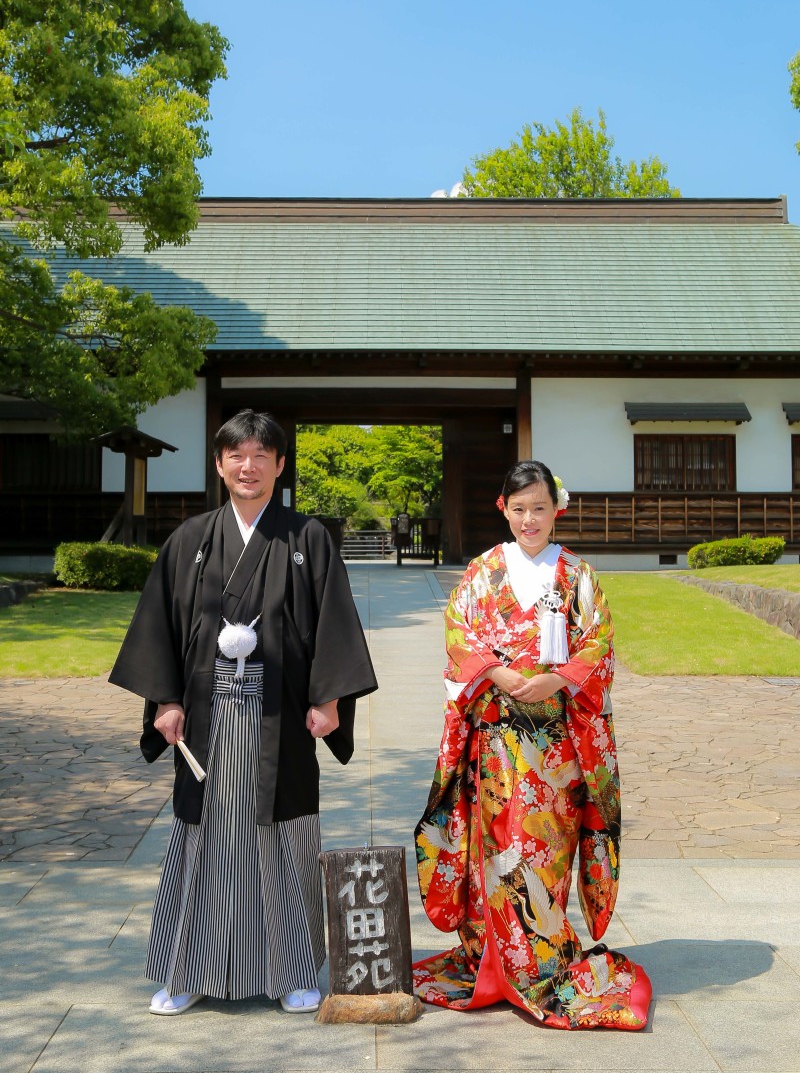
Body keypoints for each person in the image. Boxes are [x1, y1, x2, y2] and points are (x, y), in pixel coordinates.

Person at [110, 409, 377, 1017]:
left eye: (261, 455)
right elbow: (162, 626)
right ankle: (188, 971)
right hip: (205, 719)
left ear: (280, 466)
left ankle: (294, 972)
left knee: (284, 840)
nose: (248, 466)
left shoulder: (307, 539)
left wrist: (329, 698)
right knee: (201, 841)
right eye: (236, 455)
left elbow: (333, 625)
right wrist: (168, 700)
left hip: (277, 717)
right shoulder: (191, 539)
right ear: (220, 464)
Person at [413, 460, 651, 1029]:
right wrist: (495, 673)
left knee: (545, 849)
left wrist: (558, 679)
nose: (529, 519)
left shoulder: (578, 576)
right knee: (495, 848)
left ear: (556, 508)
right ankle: (491, 958)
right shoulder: (482, 572)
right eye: (518, 509)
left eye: (539, 508)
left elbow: (598, 644)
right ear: (504, 509)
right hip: (495, 743)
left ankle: (542, 960)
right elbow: (458, 634)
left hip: (556, 749)